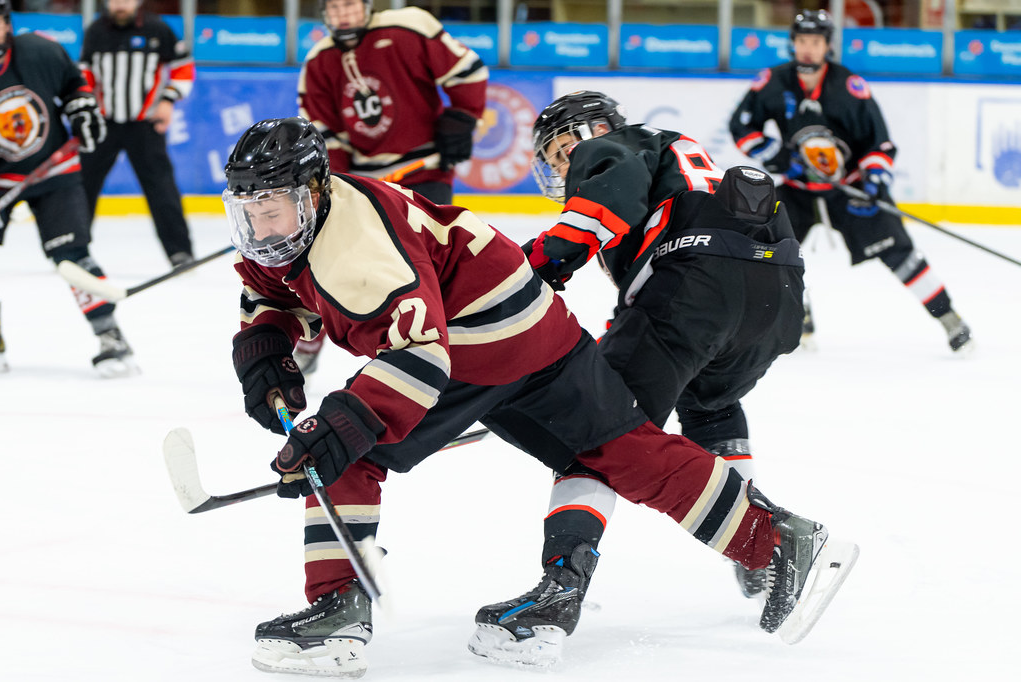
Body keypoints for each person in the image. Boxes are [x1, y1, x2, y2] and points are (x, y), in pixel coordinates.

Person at [222, 116, 856, 677]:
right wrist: (266, 348)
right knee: (619, 446)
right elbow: (274, 294)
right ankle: (778, 541)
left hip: (480, 337)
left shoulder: (359, 243)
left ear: (313, 194)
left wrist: (344, 423)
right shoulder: (301, 226)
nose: (258, 224)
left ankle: (337, 608)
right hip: (539, 321)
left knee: (350, 447)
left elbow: (419, 355)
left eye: (271, 208)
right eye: (246, 210)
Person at [467, 90, 807, 659]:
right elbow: (658, 283)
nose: (559, 165)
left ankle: (560, 589)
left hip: (697, 284)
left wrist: (535, 267)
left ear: (588, 130)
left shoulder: (613, 147)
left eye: (557, 150)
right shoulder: (680, 164)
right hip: (773, 302)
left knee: (595, 430)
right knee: (711, 406)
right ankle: (760, 548)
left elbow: (597, 219)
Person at [729, 8, 972, 353]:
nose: (808, 49)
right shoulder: (772, 82)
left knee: (900, 254)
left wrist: (874, 179)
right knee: (768, 250)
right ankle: (800, 314)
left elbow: (880, 143)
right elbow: (742, 126)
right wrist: (779, 156)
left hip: (851, 189)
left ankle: (949, 318)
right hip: (798, 189)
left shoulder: (849, 87)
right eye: (801, 41)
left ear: (827, 45)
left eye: (815, 41)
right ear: (792, 44)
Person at [293, 0, 488, 374]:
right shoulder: (319, 60)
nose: (342, 14)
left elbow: (468, 71)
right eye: (333, 8)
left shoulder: (409, 26)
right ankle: (315, 336)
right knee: (343, 262)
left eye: (349, 4)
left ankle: (452, 361)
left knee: (431, 269)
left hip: (424, 170)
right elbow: (325, 132)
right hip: (366, 182)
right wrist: (340, 186)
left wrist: (463, 115)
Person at [0, 1, 136, 377]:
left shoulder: (39, 50)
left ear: (6, 24)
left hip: (51, 168)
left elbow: (75, 83)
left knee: (73, 255)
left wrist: (82, 109)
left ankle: (110, 336)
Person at [78, 0, 196, 268]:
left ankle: (180, 251)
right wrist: (86, 108)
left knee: (161, 188)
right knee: (83, 186)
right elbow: (84, 74)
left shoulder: (157, 29)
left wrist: (168, 100)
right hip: (104, 124)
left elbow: (183, 67)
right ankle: (76, 249)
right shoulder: (95, 31)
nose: (120, 4)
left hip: (145, 124)